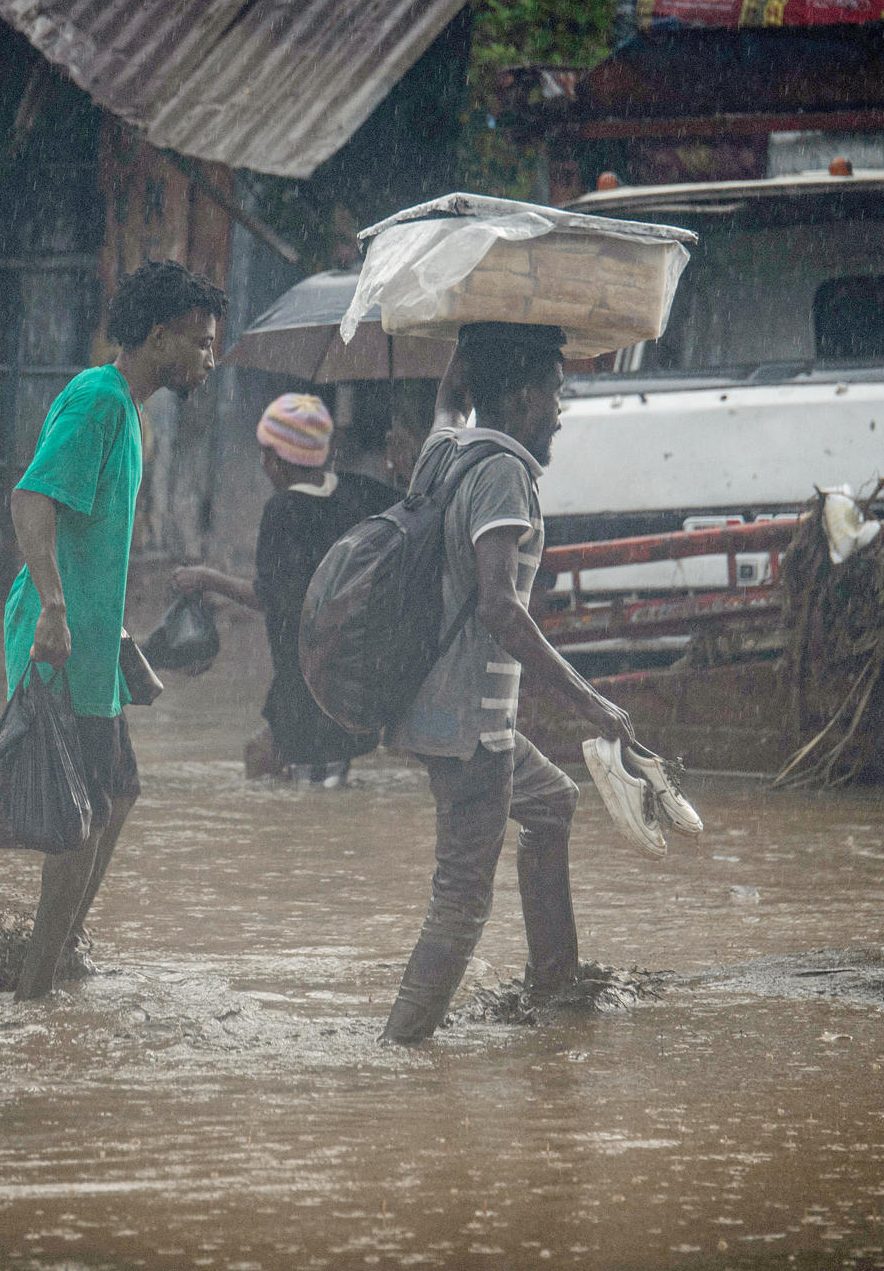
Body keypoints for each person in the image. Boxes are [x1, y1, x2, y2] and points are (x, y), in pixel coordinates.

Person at [379, 322, 641, 1045]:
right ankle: (397, 1052)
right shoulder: (504, 471)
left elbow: (446, 397)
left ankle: (554, 989)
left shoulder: (442, 451)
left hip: (437, 709)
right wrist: (588, 700)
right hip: (470, 723)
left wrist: (474, 330)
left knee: (552, 804)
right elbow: (500, 604)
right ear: (523, 396)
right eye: (556, 392)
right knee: (461, 899)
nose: (561, 408)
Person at [5, 259, 226, 999]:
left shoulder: (130, 413)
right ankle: (36, 989)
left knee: (118, 795)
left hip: (93, 639)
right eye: (199, 342)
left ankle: (58, 953)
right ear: (160, 336)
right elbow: (32, 501)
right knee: (82, 816)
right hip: (58, 634)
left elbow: (85, 533)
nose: (208, 358)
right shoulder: (100, 402)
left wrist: (114, 630)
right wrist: (58, 608)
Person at [173, 393, 398, 786]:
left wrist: (207, 578)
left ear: (276, 461)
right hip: (351, 672)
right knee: (306, 769)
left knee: (280, 770)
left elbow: (268, 596)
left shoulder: (283, 512)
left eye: (264, 453)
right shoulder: (360, 492)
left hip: (301, 674)